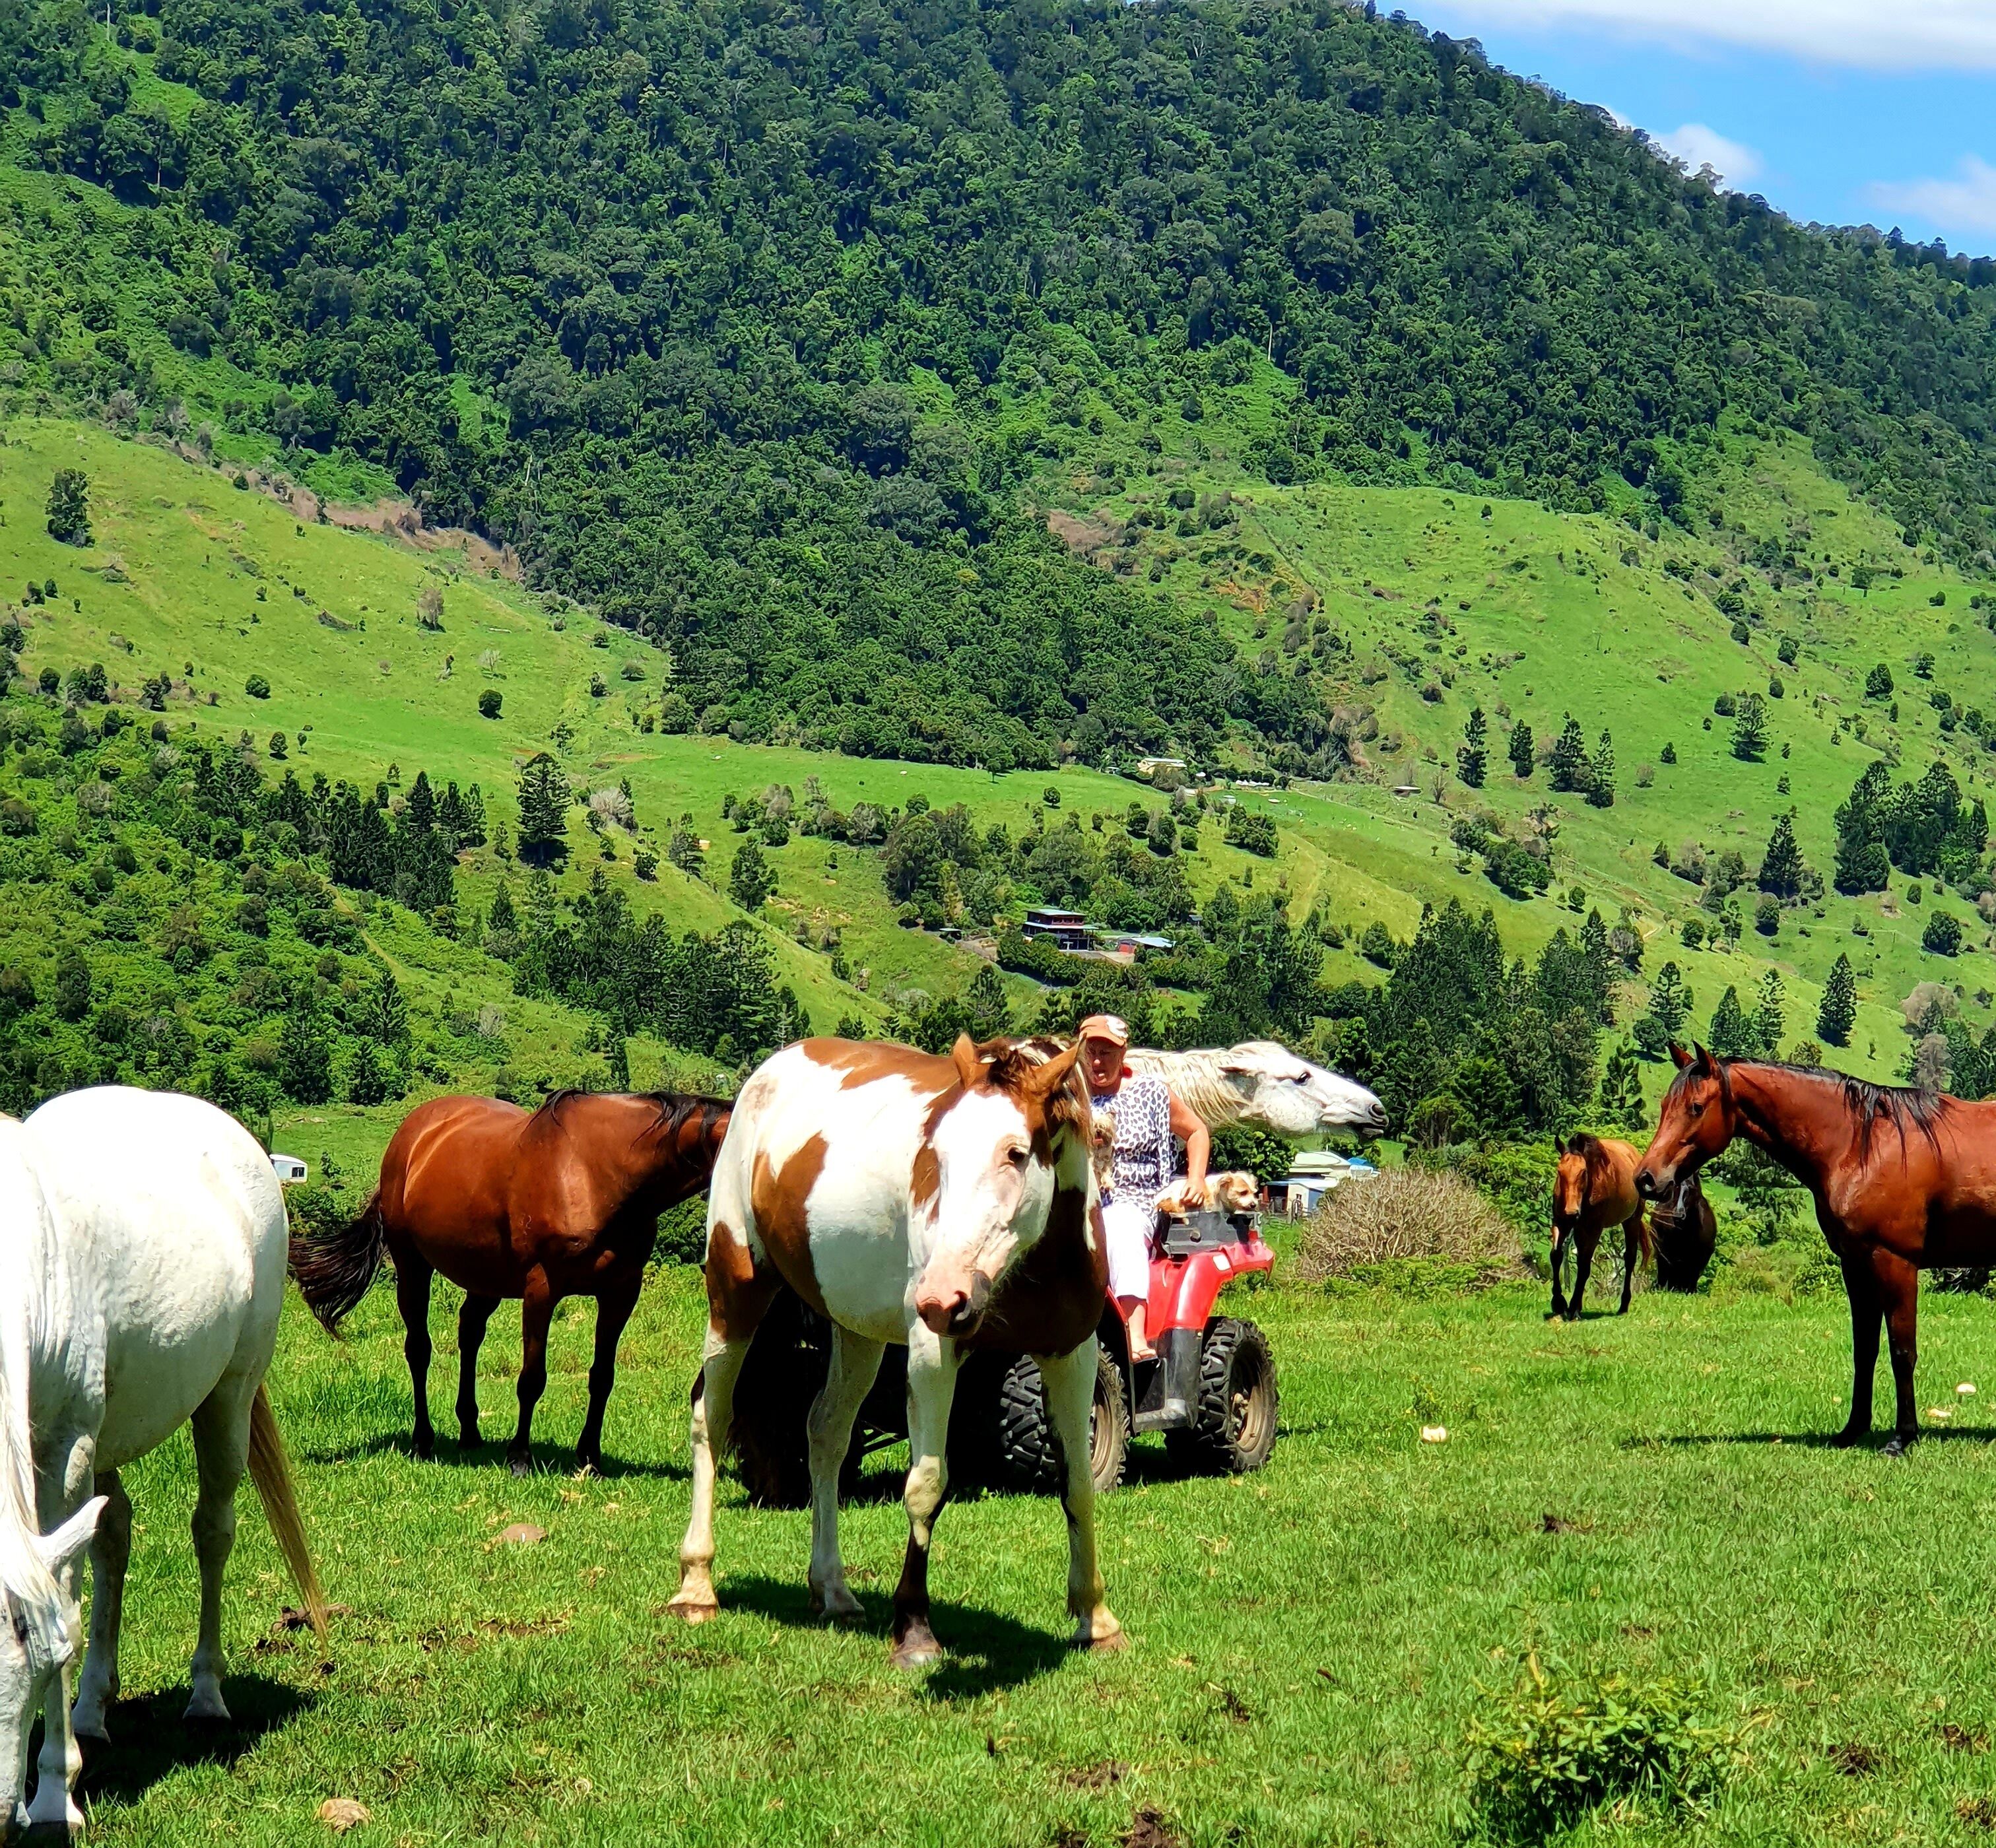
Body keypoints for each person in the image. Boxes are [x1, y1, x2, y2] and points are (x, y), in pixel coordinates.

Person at [1077, 1013, 1211, 1364]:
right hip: (1080, 1199)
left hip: (1136, 1199)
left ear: (1123, 1054)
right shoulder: (1071, 1099)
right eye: (1090, 1051)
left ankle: (1134, 1334)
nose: (1096, 1061)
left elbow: (1197, 1131)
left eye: (1106, 1052)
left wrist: (1195, 1179)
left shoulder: (1150, 1092)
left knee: (1120, 1225)